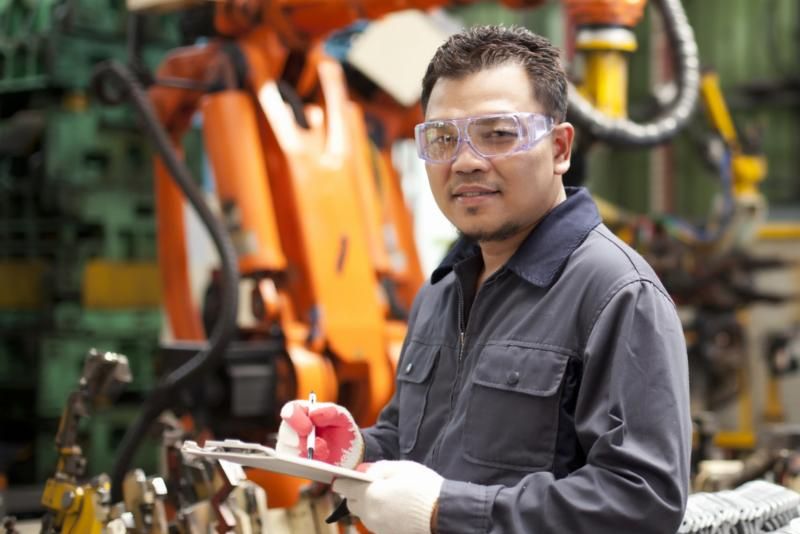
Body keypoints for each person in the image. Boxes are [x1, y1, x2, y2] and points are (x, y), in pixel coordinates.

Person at [276, 24, 691, 534]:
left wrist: (443, 510)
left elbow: (642, 503)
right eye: (444, 138)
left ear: (560, 149)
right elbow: (415, 438)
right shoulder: (442, 290)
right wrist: (356, 448)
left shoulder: (617, 295)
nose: (466, 161)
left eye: (498, 133)